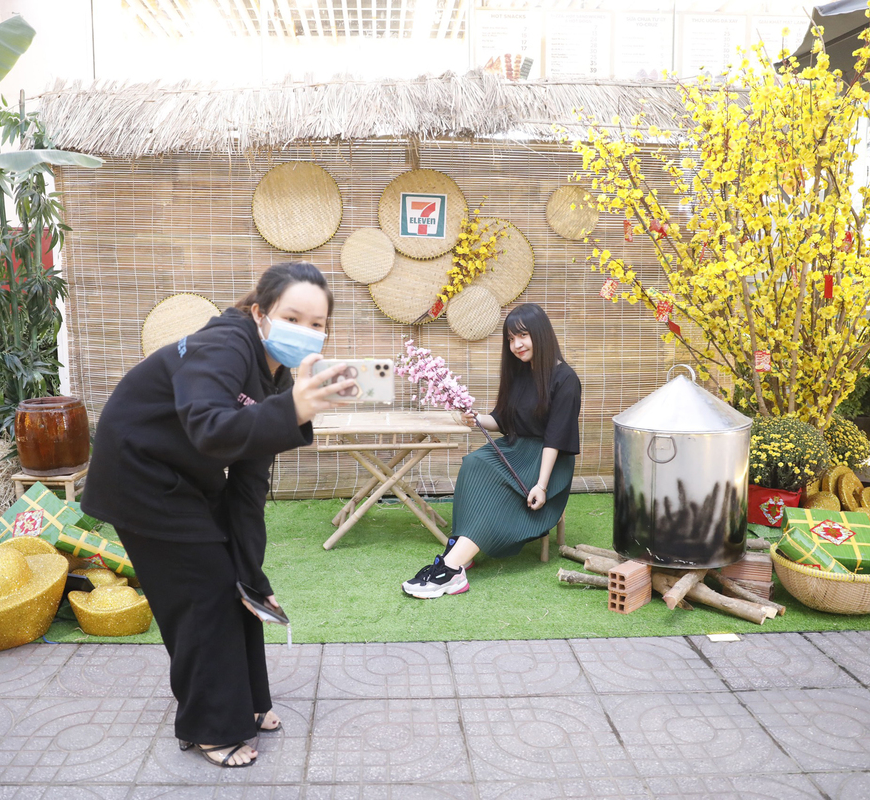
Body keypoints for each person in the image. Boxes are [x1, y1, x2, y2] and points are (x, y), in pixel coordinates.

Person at [81, 262, 354, 769]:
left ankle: (247, 702)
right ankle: (210, 727)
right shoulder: (223, 345)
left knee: (231, 585)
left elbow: (249, 486)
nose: (306, 331)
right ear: (259, 312)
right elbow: (209, 425)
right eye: (293, 316)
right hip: (138, 475)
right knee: (203, 595)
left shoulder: (276, 379)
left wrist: (251, 572)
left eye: (317, 324)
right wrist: (292, 410)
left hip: (185, 479)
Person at [402, 303, 582, 599]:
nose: (516, 345)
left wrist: (541, 484)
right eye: (510, 339)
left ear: (541, 334)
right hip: (515, 447)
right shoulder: (521, 373)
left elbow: (555, 439)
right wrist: (475, 418)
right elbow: (501, 420)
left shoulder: (566, 380)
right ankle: (459, 552)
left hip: (547, 460)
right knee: (475, 462)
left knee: (495, 489)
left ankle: (450, 570)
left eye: (522, 336)